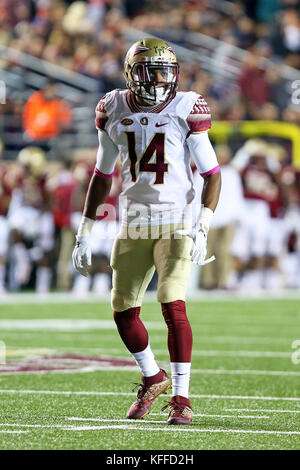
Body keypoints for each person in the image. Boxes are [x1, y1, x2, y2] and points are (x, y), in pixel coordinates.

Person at [72, 38, 221, 425]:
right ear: (131, 74)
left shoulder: (186, 106)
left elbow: (212, 174)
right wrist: (84, 231)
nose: (158, 80)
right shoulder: (113, 107)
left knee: (172, 300)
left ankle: (182, 397)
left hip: (177, 219)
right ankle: (153, 375)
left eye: (165, 72)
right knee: (122, 309)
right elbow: (102, 175)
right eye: (150, 71)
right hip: (134, 221)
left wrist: (203, 224)